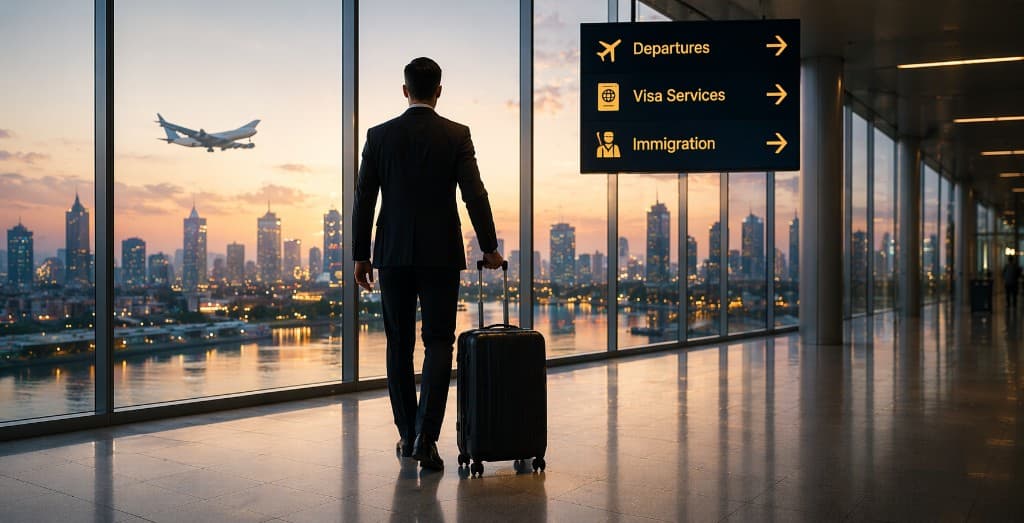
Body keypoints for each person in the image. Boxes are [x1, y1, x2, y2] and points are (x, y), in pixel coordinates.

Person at [352, 57, 502, 471]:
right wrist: (489, 247)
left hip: (393, 254)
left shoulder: (378, 136)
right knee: (439, 342)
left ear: (405, 91)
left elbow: (364, 198)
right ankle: (425, 438)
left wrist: (360, 255)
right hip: (440, 255)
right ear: (439, 91)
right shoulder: (456, 135)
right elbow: (475, 193)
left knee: (398, 345)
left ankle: (406, 434)